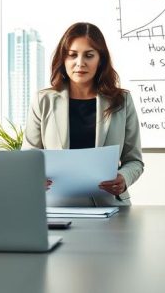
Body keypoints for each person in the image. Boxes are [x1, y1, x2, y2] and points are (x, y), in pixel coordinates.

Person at [25, 22, 143, 206]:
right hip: (55, 207)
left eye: (89, 55)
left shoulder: (122, 101)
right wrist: (34, 178)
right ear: (63, 60)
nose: (80, 63)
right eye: (72, 55)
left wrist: (123, 178)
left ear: (100, 60)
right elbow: (29, 158)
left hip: (109, 207)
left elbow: (134, 160)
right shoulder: (43, 100)